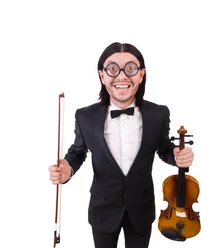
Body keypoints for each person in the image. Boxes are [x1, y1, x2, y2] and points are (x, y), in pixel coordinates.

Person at [48, 42, 195, 248]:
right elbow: (78, 151)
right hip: (103, 208)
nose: (122, 76)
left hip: (142, 208)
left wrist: (177, 155)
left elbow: (164, 148)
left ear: (141, 75)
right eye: (113, 69)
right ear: (102, 75)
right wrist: (68, 168)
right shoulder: (85, 116)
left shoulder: (159, 114)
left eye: (131, 69)